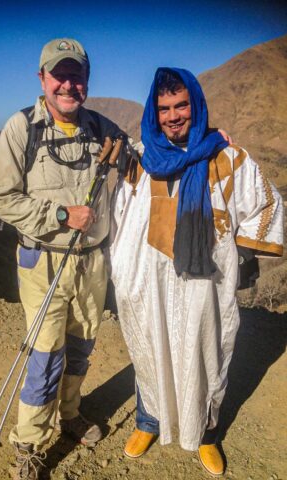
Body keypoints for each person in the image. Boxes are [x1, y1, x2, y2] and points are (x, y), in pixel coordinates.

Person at [110, 68, 283, 476]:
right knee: (151, 349)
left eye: (181, 106)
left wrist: (239, 253)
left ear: (197, 105)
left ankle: (206, 434)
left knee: (206, 352)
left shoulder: (225, 157)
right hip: (147, 283)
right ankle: (148, 422)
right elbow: (120, 211)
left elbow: (267, 205)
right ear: (155, 112)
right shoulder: (141, 157)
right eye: (164, 108)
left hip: (204, 283)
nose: (173, 116)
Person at [0, 38, 126, 480]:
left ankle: (69, 415)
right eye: (59, 75)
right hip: (44, 261)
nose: (68, 84)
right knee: (46, 356)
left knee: (82, 349)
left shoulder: (103, 129)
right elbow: (1, 199)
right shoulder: (21, 128)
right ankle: (28, 445)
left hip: (93, 264)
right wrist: (63, 214)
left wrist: (208, 140)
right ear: (42, 78)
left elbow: (146, 159)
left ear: (86, 80)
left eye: (77, 75)